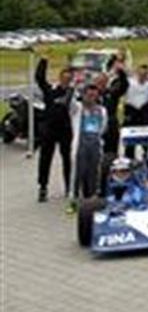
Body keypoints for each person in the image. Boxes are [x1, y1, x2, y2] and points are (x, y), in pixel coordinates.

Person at [34, 57, 74, 203]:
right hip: (49, 129)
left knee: (67, 159)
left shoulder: (72, 92)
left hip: (65, 130)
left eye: (69, 80)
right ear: (60, 78)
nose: (66, 82)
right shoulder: (50, 90)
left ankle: (69, 186)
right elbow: (39, 78)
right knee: (45, 158)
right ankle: (43, 187)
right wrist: (43, 61)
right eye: (64, 79)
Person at [68, 84, 109, 211]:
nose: (91, 98)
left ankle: (91, 200)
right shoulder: (78, 108)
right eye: (89, 95)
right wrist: (74, 86)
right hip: (80, 144)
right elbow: (70, 101)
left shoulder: (101, 110)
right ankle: (73, 201)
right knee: (78, 173)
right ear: (84, 95)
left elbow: (103, 127)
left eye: (94, 96)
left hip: (95, 144)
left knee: (93, 173)